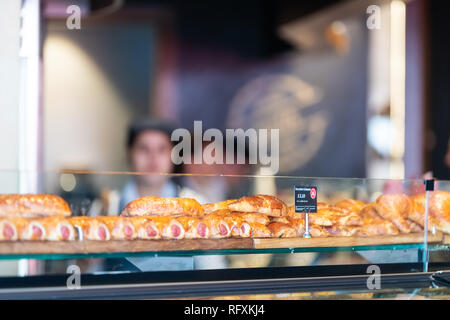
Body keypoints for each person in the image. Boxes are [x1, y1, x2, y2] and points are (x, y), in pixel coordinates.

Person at [107, 118, 227, 272]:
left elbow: (214, 270)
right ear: (130, 154)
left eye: (162, 149)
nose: (153, 157)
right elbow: (87, 273)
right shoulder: (108, 206)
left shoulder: (196, 205)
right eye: (144, 149)